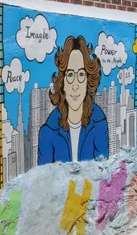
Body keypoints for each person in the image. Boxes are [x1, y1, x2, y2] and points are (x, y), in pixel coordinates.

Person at [38, 35, 109, 165]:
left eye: (81, 74)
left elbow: (103, 171)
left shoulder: (99, 123)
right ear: (62, 81)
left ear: (88, 80)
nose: (75, 85)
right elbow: (43, 175)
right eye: (70, 75)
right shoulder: (48, 131)